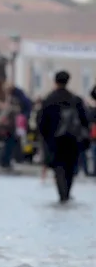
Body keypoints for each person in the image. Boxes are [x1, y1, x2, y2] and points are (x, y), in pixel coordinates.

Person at [38, 70, 90, 203]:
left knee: (58, 166)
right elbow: (84, 120)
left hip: (55, 139)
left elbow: (42, 121)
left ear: (55, 81)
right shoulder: (75, 99)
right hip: (73, 138)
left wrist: (45, 136)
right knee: (70, 166)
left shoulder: (50, 99)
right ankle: (67, 192)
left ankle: (63, 194)